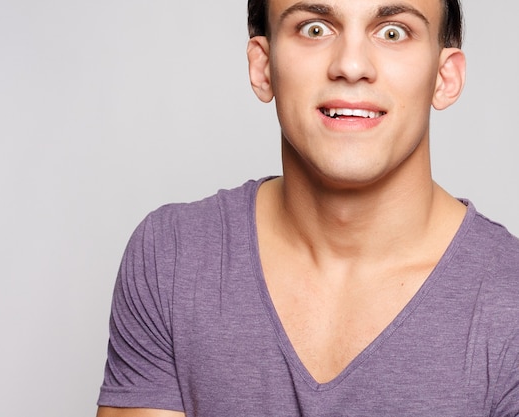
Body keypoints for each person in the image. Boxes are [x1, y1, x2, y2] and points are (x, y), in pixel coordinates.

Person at [96, 0, 519, 415]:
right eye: (314, 28)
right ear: (263, 67)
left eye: (393, 32)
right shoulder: (171, 257)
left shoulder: (510, 300)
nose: (351, 65)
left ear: (444, 77)